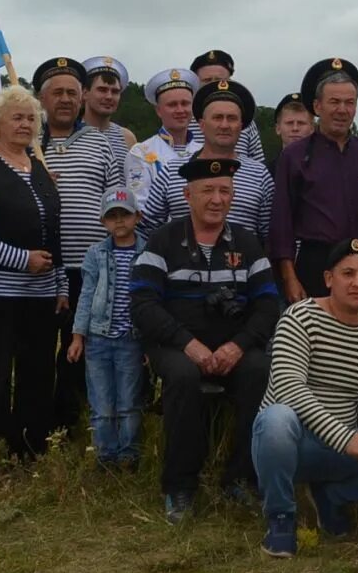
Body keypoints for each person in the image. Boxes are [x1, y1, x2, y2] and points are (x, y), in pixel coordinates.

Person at [251, 239, 358, 557]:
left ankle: (332, 497)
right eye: (347, 273)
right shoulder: (298, 318)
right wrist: (345, 438)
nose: (356, 282)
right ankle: (280, 516)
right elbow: (290, 388)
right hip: (293, 442)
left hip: (340, 449)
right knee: (276, 418)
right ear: (329, 279)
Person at [132, 155, 280, 520]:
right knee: (183, 376)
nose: (217, 199)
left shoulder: (246, 242)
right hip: (178, 345)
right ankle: (180, 486)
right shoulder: (163, 240)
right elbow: (143, 304)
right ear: (187, 194)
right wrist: (188, 343)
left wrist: (239, 344)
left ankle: (241, 478)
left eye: (225, 191)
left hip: (234, 346)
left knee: (261, 372)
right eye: (208, 190)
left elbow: (267, 305)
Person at [0, 85, 68, 480]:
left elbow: (54, 233)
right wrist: (22, 261)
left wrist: (60, 285)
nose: (25, 124)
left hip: (41, 295)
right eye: (16, 117)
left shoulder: (38, 169)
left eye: (30, 117)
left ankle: (30, 451)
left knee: (38, 374)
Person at [34, 56, 125, 437]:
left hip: (87, 266)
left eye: (73, 92)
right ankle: (36, 421)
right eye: (58, 93)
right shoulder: (25, 141)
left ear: (83, 96)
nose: (66, 100)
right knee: (37, 348)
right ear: (41, 99)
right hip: (39, 266)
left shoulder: (101, 144)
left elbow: (117, 198)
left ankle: (73, 422)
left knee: (80, 347)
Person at [273, 59, 358, 302]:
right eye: (334, 102)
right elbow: (282, 223)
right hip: (315, 264)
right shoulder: (294, 156)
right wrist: (289, 278)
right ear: (317, 106)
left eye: (349, 103)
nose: (342, 109)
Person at [67, 187, 146, 472]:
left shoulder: (148, 252)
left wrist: (150, 342)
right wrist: (78, 337)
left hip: (132, 340)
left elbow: (154, 300)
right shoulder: (96, 253)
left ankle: (129, 454)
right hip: (98, 339)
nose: (119, 222)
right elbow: (86, 296)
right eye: (111, 216)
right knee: (101, 405)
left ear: (138, 216)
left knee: (129, 402)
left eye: (124, 214)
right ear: (103, 222)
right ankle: (105, 457)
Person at [146, 79, 274, 240]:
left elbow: (270, 235)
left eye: (232, 118)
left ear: (241, 126)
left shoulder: (260, 175)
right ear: (201, 124)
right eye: (217, 118)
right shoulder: (173, 170)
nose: (225, 125)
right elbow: (146, 227)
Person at [125, 69, 203, 218]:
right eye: (172, 105)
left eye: (185, 103)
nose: (180, 110)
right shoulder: (141, 153)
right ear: (158, 110)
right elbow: (140, 208)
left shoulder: (204, 151)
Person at [191, 50, 268, 165]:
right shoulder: (184, 120)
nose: (212, 85)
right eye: (207, 80)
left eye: (218, 80)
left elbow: (258, 163)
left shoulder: (246, 123)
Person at [82, 56, 137, 156]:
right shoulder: (69, 131)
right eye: (102, 90)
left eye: (115, 91)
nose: (109, 97)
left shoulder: (127, 138)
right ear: (85, 93)